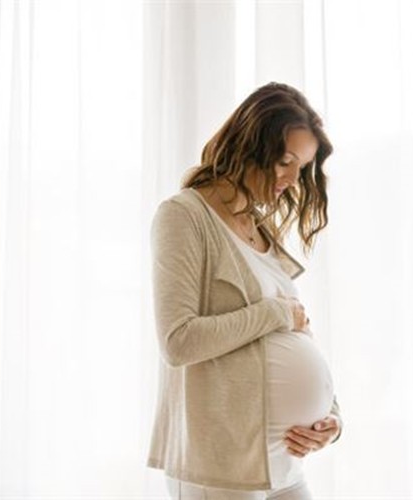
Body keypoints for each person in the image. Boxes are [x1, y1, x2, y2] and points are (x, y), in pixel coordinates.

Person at [146, 82, 343, 500]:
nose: (292, 179)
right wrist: (276, 313)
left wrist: (331, 418)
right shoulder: (183, 217)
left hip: (285, 462)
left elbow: (295, 330)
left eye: (302, 167)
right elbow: (178, 341)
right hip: (219, 467)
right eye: (285, 161)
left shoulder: (260, 227)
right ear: (248, 144)